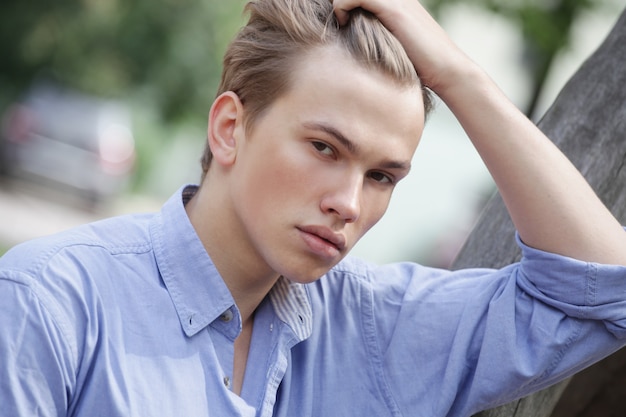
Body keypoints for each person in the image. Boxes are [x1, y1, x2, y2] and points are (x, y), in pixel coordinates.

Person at [1, 0, 625, 415]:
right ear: (228, 129)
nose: (349, 203)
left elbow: (606, 290)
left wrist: (456, 75)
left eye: (382, 176)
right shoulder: (50, 306)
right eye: (324, 147)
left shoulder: (375, 328)